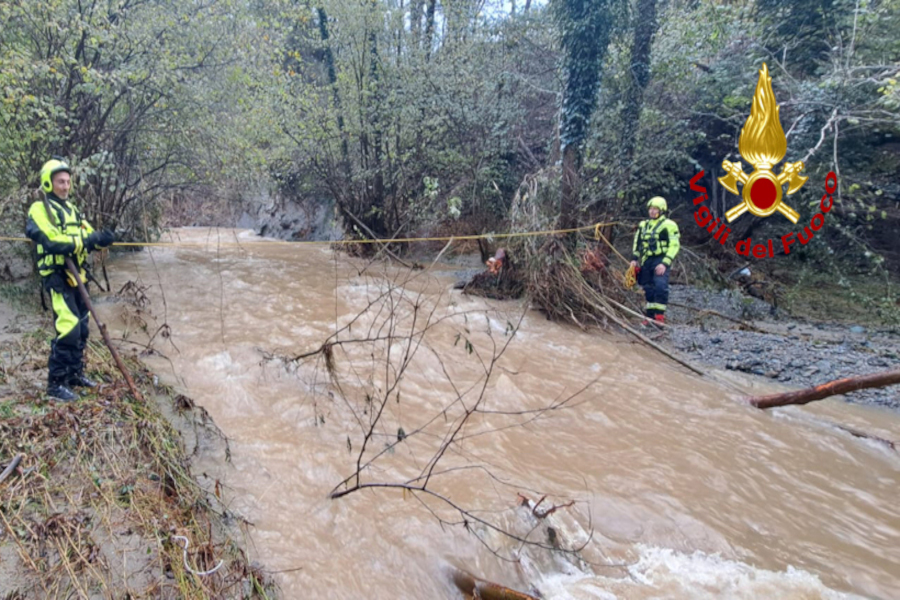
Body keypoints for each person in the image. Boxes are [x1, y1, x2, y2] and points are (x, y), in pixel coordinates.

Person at [25, 159, 115, 401]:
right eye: (60, 182)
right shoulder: (39, 209)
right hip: (57, 277)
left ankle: (75, 374)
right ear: (48, 182)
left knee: (83, 328)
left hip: (78, 277)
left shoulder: (72, 210)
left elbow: (86, 235)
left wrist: (102, 238)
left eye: (67, 182)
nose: (65, 187)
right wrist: (86, 241)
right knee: (68, 329)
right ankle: (55, 385)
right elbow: (51, 241)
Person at [630, 196, 680, 326]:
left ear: (661, 210)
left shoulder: (669, 225)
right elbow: (638, 242)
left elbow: (674, 245)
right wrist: (634, 259)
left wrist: (665, 263)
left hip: (660, 259)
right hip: (647, 260)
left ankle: (659, 317)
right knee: (648, 288)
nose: (652, 212)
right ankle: (650, 316)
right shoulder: (643, 225)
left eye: (655, 209)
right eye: (651, 209)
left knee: (660, 287)